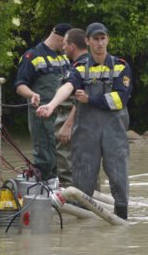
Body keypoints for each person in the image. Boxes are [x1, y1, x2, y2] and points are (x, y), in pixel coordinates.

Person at [36, 22, 132, 220]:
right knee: (82, 183)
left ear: (107, 39)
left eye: (102, 38)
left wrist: (90, 99)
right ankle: (85, 232)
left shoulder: (121, 66)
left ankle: (122, 221)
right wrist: (52, 105)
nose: (99, 43)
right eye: (95, 39)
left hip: (114, 132)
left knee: (119, 179)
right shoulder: (79, 68)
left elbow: (119, 99)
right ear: (87, 41)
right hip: (86, 133)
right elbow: (68, 86)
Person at [14, 23, 72, 180]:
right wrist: (32, 94)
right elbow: (20, 85)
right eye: (67, 43)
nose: (68, 47)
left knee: (64, 160)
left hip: (64, 117)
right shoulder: (32, 56)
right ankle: (43, 190)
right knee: (46, 159)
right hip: (42, 116)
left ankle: (63, 192)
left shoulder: (64, 56)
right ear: (60, 38)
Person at [54, 28, 90, 188]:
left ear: (72, 46)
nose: (63, 48)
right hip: (81, 123)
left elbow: (82, 99)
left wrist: (68, 125)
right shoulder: (90, 64)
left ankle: (75, 207)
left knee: (68, 170)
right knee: (87, 168)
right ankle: (90, 209)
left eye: (65, 44)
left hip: (73, 121)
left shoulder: (82, 67)